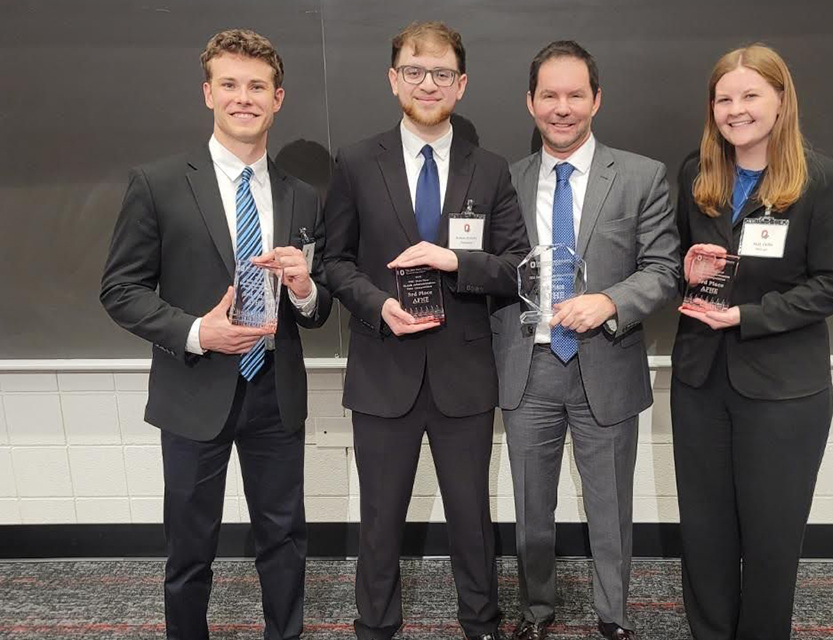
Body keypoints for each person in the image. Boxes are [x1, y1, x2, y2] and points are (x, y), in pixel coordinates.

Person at [100, 29, 332, 640]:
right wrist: (198, 331)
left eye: (257, 86)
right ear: (208, 93)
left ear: (278, 97)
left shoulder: (302, 196)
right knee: (190, 548)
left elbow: (318, 306)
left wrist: (307, 290)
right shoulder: (157, 184)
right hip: (193, 389)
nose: (243, 97)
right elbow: (120, 291)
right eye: (229, 84)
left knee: (283, 538)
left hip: (274, 394)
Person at [321, 20, 529, 640]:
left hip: (464, 374)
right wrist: (377, 305)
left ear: (461, 84)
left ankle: (481, 623)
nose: (428, 84)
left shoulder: (489, 169)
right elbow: (334, 261)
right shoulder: (357, 161)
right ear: (393, 79)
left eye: (441, 73)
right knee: (379, 518)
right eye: (415, 71)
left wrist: (455, 261)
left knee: (472, 515)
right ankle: (376, 627)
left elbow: (520, 266)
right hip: (383, 367)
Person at [670, 44, 833, 640]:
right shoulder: (695, 173)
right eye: (724, 98)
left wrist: (749, 316)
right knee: (704, 533)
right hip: (701, 382)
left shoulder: (822, 179)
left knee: (772, 538)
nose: (736, 109)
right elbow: (676, 264)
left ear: (781, 100)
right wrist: (689, 268)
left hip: (784, 390)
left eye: (750, 95)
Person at [492, 41, 681, 640]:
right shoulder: (504, 181)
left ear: (596, 99)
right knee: (531, 511)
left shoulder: (642, 176)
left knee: (610, 508)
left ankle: (613, 617)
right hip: (529, 364)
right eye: (549, 94)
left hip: (607, 360)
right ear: (530, 102)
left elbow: (663, 270)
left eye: (576, 94)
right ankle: (537, 610)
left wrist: (609, 302)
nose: (562, 107)